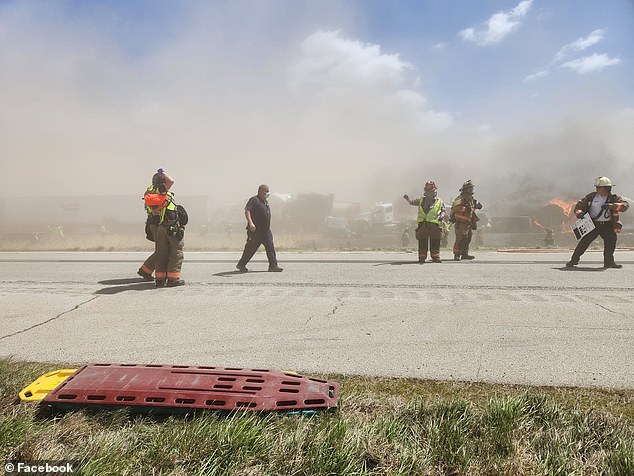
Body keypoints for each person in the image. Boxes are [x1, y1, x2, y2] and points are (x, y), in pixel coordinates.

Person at [566, 177, 629, 269]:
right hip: (593, 224)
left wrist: (612, 206)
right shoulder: (591, 197)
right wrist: (579, 213)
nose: (597, 189)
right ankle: (573, 260)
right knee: (584, 242)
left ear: (607, 188)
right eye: (597, 187)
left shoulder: (614, 198)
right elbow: (579, 205)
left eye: (599, 187)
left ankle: (609, 263)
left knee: (610, 243)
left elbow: (625, 206)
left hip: (608, 225)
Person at [137, 168, 174, 281]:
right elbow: (171, 181)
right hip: (159, 222)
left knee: (161, 249)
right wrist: (162, 173)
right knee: (162, 250)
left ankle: (145, 270)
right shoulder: (160, 190)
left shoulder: (149, 190)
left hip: (153, 222)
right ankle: (146, 271)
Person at [236, 184, 283, 272]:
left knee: (270, 247)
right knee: (250, 249)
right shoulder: (254, 200)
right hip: (256, 231)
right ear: (261, 191)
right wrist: (251, 223)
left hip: (266, 231)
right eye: (266, 191)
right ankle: (241, 264)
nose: (267, 193)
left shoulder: (265, 201)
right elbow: (247, 211)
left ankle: (273, 266)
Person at [403, 181, 446, 263]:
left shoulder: (439, 201)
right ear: (425, 191)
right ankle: (422, 257)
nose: (430, 193)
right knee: (422, 241)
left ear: (435, 191)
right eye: (428, 191)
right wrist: (407, 198)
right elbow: (411, 202)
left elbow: (443, 210)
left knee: (436, 241)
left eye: (432, 191)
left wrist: (442, 216)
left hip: (435, 225)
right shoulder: (421, 200)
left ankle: (435, 257)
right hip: (423, 225)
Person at [450, 179, 482, 261]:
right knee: (461, 238)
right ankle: (457, 254)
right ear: (465, 189)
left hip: (468, 223)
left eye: (472, 188)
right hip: (461, 223)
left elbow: (472, 211)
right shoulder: (460, 198)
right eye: (470, 188)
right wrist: (464, 208)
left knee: (468, 238)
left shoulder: (470, 199)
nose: (471, 190)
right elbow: (455, 207)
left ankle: (465, 254)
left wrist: (477, 206)